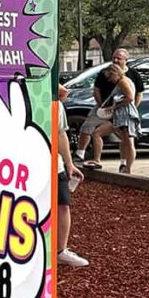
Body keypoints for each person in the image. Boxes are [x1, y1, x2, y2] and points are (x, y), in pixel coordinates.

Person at [75, 48, 144, 169]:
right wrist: (103, 105)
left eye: (119, 58)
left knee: (127, 141)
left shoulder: (126, 79)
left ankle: (126, 166)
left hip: (122, 113)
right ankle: (87, 156)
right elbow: (96, 90)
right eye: (114, 58)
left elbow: (131, 97)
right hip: (109, 108)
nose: (109, 79)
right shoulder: (107, 73)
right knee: (93, 130)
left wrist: (117, 107)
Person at [56, 84, 88, 267]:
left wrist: (69, 164)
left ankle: (61, 250)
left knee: (63, 205)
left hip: (53, 163)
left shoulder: (56, 104)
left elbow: (61, 134)